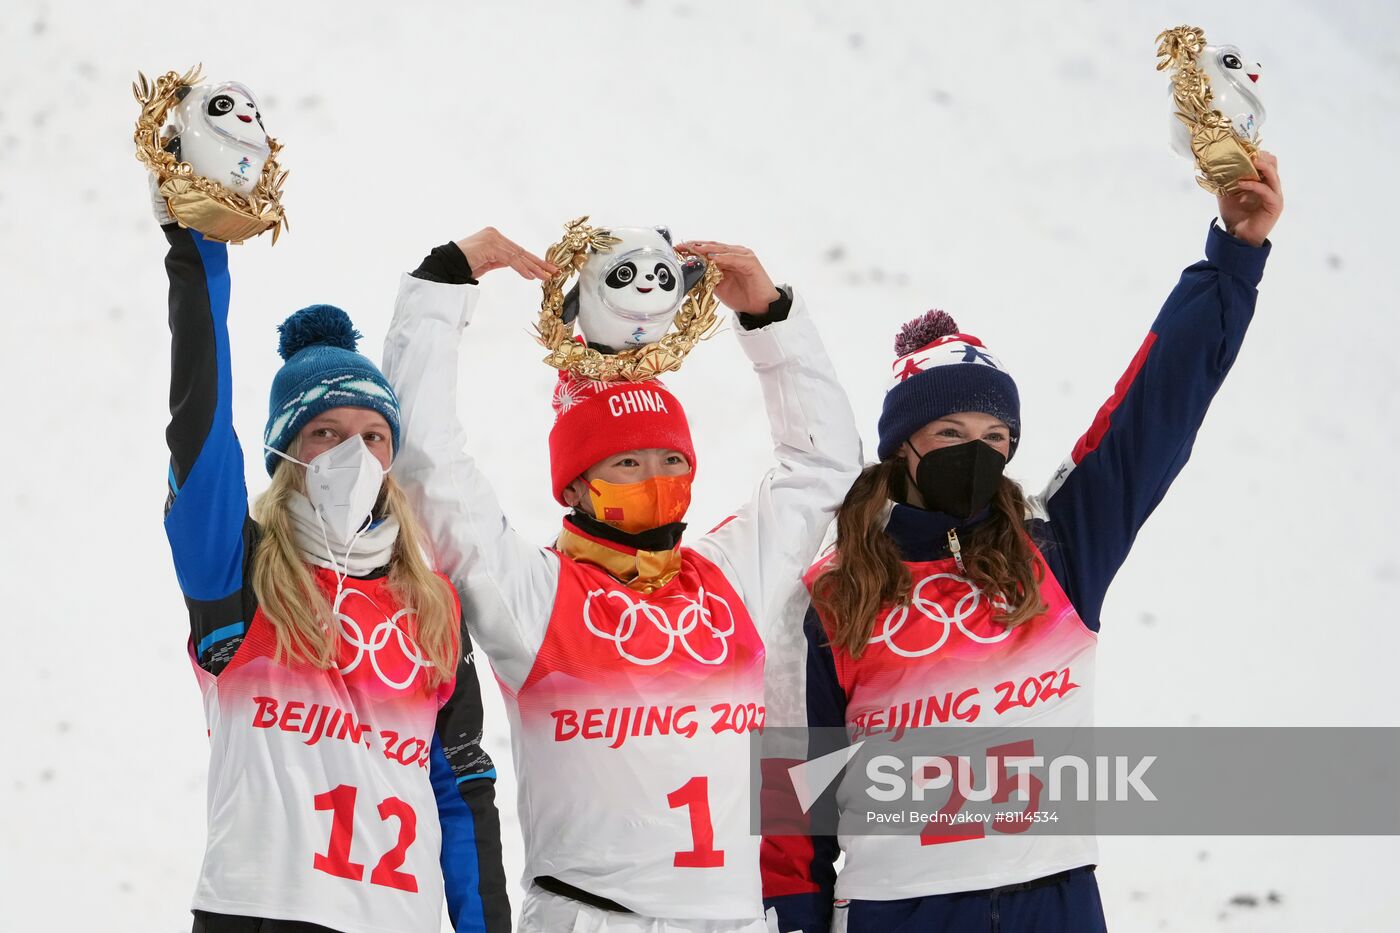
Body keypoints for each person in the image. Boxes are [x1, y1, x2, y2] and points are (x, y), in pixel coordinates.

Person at [760, 153, 1284, 933]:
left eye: (996, 435)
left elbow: (1153, 409)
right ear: (903, 444)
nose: (978, 450)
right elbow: (795, 800)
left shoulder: (1060, 546)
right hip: (899, 909)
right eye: (951, 432)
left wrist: (1233, 257)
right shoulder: (833, 593)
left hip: (1054, 896)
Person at [381, 227, 864, 930]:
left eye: (671, 462)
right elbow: (428, 466)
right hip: (595, 917)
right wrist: (442, 285)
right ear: (575, 486)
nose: (656, 480)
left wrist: (769, 320)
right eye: (627, 465)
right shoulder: (538, 597)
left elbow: (823, 470)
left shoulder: (729, 582)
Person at [156, 191, 509, 932]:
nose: (353, 452)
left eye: (373, 434)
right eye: (324, 431)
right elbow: (201, 428)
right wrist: (198, 251)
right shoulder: (236, 573)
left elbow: (464, 785)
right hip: (257, 911)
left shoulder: (432, 604)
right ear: (285, 451)